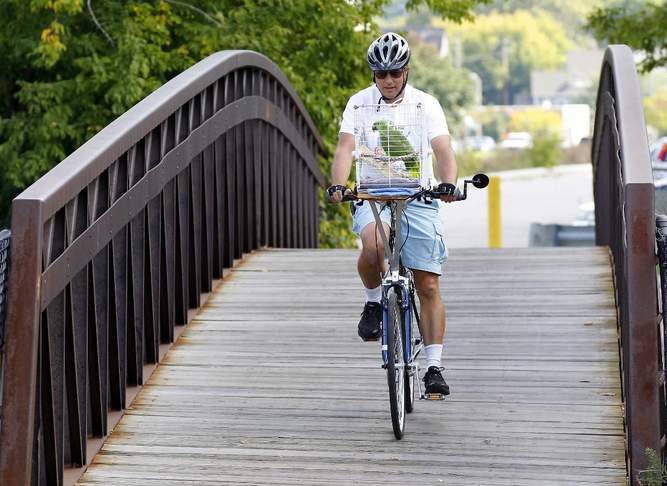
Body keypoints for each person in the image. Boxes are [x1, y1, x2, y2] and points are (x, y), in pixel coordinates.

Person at [326, 32, 458, 396]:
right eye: (381, 74)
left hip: (418, 195)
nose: (388, 80)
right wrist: (338, 184)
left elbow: (443, 149)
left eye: (395, 73)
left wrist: (448, 183)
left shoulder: (425, 104)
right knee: (373, 247)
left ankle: (433, 366)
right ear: (373, 75)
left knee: (428, 284)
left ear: (406, 71)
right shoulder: (359, 104)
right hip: (373, 194)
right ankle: (372, 304)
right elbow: (345, 148)